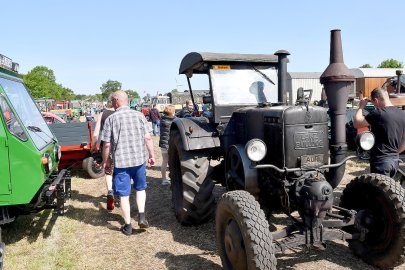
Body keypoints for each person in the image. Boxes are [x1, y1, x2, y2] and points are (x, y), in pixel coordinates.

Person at [100, 90, 155, 236]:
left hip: (121, 163)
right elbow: (148, 138)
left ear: (117, 100)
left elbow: (106, 145)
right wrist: (151, 155)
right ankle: (142, 216)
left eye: (112, 100)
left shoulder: (111, 119)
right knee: (140, 189)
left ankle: (128, 225)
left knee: (124, 195)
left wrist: (105, 162)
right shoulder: (139, 115)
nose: (111, 103)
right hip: (139, 160)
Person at [354, 87, 405, 177]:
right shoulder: (403, 114)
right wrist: (396, 153)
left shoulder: (378, 113)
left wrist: (361, 107)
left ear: (376, 100)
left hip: (381, 162)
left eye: (373, 103)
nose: (374, 106)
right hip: (394, 162)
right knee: (388, 190)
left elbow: (356, 123)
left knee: (379, 190)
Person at [90, 96, 117, 210]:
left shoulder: (103, 114)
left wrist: (93, 146)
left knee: (108, 170)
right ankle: (120, 194)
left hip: (106, 146)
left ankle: (110, 190)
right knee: (120, 170)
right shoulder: (120, 113)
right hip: (120, 146)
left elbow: (96, 133)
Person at [159, 104, 176, 186]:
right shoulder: (174, 120)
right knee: (172, 161)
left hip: (163, 143)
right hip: (171, 143)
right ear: (172, 111)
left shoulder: (162, 119)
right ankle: (172, 178)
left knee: (164, 161)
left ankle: (164, 179)